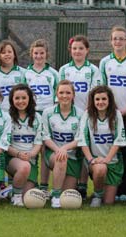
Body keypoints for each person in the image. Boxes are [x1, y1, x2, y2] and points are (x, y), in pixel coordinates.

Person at [59, 35, 102, 199]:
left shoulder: (93, 70)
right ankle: (70, 181)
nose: (77, 51)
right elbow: (61, 92)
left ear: (87, 50)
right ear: (70, 50)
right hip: (68, 115)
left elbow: (94, 93)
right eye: (74, 48)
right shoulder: (64, 70)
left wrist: (87, 112)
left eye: (81, 48)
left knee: (84, 149)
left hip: (86, 115)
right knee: (71, 149)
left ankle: (83, 185)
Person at [99, 26, 126, 201]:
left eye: (121, 38)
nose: (118, 42)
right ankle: (109, 187)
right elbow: (103, 89)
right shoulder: (105, 62)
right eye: (115, 38)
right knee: (112, 150)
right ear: (111, 41)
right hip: (110, 114)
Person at [77, 85, 126, 207]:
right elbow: (82, 140)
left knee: (109, 202)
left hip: (112, 162)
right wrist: (91, 160)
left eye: (104, 99)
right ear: (93, 101)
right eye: (97, 99)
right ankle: (97, 195)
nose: (100, 102)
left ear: (109, 100)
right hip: (95, 162)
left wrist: (106, 160)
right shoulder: (87, 115)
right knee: (100, 169)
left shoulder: (116, 115)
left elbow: (119, 140)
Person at [24, 39, 58, 196]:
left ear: (47, 54)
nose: (38, 56)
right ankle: (26, 180)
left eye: (41, 53)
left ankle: (44, 185)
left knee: (45, 148)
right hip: (30, 114)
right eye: (36, 53)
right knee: (29, 147)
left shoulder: (53, 74)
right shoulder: (25, 73)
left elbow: (57, 97)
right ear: (31, 54)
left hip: (46, 115)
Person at [42, 80, 83, 208]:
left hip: (73, 157)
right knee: (61, 158)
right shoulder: (48, 112)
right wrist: (58, 150)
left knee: (68, 195)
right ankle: (55, 196)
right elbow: (45, 136)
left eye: (68, 92)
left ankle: (58, 191)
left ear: (73, 95)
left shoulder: (81, 114)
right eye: (61, 92)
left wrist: (65, 148)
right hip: (54, 155)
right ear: (56, 94)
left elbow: (80, 138)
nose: (64, 96)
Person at [6, 84, 43, 206]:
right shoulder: (7, 117)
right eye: (17, 98)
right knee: (24, 167)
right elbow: (4, 144)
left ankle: (12, 188)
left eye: (23, 98)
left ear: (29, 99)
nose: (20, 101)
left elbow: (38, 142)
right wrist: (18, 154)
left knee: (28, 196)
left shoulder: (37, 117)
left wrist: (31, 154)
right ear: (12, 100)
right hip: (12, 158)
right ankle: (15, 197)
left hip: (30, 159)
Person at [0, 40, 25, 113]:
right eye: (3, 52)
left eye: (9, 52)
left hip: (16, 112)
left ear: (14, 54)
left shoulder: (22, 72)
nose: (7, 54)